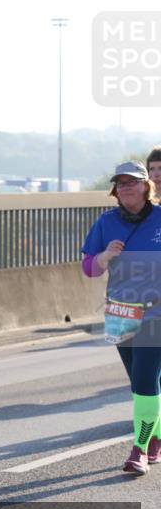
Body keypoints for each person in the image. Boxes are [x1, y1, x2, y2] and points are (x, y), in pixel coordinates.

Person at [81, 161, 161, 475]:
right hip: (120, 310)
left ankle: (139, 449)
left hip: (156, 312)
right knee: (141, 382)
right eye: (121, 182)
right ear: (115, 189)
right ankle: (155, 435)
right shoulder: (106, 222)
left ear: (146, 186)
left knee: (144, 381)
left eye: (133, 181)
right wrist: (104, 257)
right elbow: (89, 268)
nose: (126, 187)